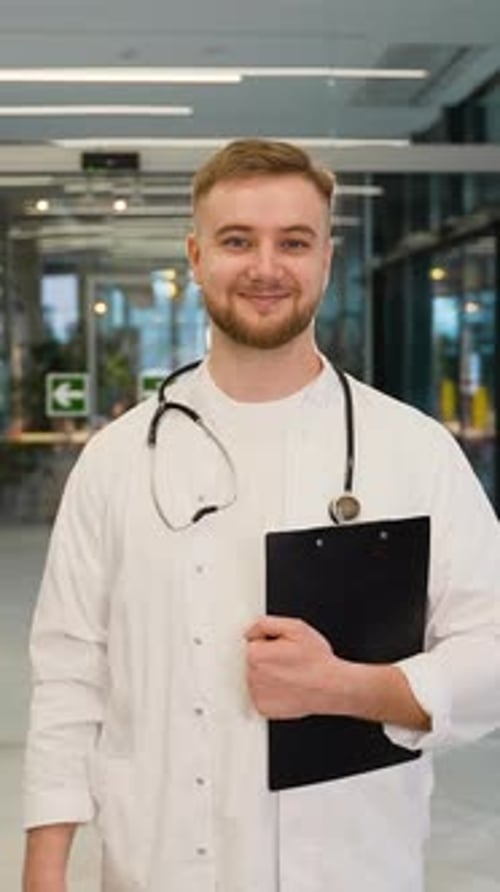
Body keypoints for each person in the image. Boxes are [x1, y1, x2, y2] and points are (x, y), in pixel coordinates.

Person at [23, 138, 500, 892]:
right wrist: (44, 868)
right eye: (238, 240)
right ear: (196, 255)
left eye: (294, 242)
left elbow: (493, 654)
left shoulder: (414, 452)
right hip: (157, 867)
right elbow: (68, 676)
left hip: (354, 868)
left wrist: (346, 687)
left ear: (326, 259)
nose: (266, 267)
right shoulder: (116, 461)